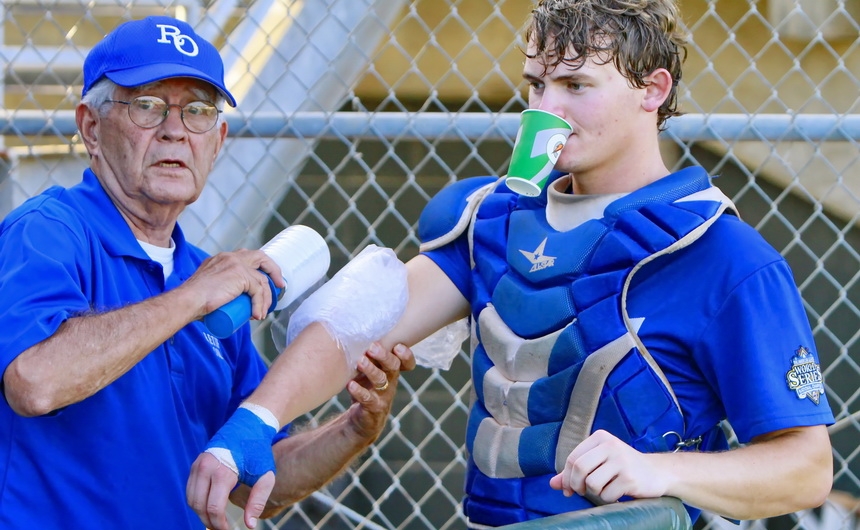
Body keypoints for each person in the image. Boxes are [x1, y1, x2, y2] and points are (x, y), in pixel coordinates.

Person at [188, 0, 835, 528]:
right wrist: (257, 419)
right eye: (535, 83)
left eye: (577, 84)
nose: (545, 108)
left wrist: (665, 472)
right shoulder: (492, 219)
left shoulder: (720, 255)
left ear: (653, 90)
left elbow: (807, 468)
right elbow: (361, 322)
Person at [0, 16, 413, 530]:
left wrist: (353, 429)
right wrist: (191, 298)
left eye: (197, 111)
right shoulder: (50, 230)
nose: (175, 130)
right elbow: (35, 381)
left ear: (217, 141)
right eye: (148, 105)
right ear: (91, 126)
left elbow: (256, 477)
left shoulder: (210, 278)